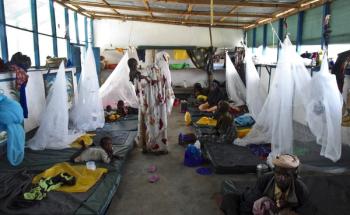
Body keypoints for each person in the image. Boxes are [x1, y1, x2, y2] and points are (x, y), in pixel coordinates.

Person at [220, 154, 313, 215]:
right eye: (278, 173)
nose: (281, 178)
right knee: (230, 199)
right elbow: (248, 205)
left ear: (294, 176)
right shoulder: (265, 180)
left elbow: (307, 210)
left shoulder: (300, 189)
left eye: (287, 175)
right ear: (274, 172)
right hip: (247, 198)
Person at [128, 54, 174, 154]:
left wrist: (141, 79)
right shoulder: (159, 70)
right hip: (156, 103)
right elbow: (168, 87)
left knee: (149, 122)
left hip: (150, 102)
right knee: (157, 123)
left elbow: (139, 83)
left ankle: (148, 145)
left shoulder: (152, 70)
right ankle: (157, 147)